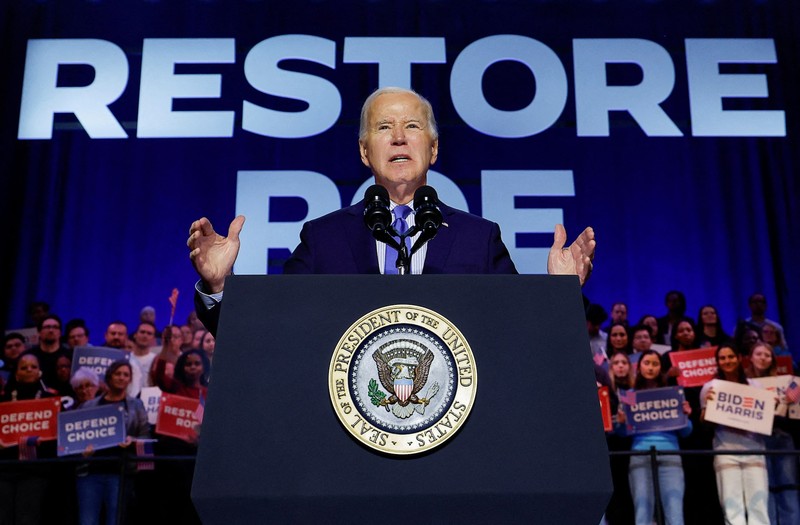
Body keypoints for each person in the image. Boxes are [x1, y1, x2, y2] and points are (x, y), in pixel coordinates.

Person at [187, 87, 596, 334]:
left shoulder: (478, 236)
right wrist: (220, 288)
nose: (399, 137)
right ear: (365, 152)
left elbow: (519, 332)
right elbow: (271, 333)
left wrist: (561, 294)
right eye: (384, 128)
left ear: (433, 149)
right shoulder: (323, 237)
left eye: (413, 127)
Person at [616, 350, 692, 525]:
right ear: (639, 366)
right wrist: (620, 423)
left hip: (670, 454)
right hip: (640, 455)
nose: (650, 367)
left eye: (655, 364)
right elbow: (622, 433)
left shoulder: (672, 393)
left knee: (674, 511)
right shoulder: (629, 395)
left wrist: (686, 417)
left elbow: (686, 432)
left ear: (661, 368)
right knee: (642, 510)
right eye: (647, 363)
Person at [700, 345, 770, 525]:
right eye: (722, 358)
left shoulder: (755, 386)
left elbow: (765, 419)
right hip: (726, 452)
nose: (727, 361)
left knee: (759, 506)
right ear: (717, 362)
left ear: (739, 358)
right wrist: (708, 406)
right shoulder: (710, 387)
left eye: (730, 357)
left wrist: (771, 406)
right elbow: (704, 424)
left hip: (754, 450)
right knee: (732, 507)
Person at [77, 360, 150, 525]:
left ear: (130, 379)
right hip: (90, 471)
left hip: (120, 471)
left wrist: (133, 441)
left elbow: (145, 436)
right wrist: (83, 450)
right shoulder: (88, 406)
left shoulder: (137, 405)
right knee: (87, 521)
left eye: (126, 375)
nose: (122, 378)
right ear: (109, 376)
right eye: (118, 374)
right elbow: (76, 437)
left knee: (115, 520)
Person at [746, 341, 800, 525]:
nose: (763, 358)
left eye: (767, 355)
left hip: (782, 437)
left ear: (772, 360)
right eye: (759, 354)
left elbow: (794, 416)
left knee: (788, 486)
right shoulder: (744, 384)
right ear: (751, 358)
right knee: (764, 488)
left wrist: (785, 403)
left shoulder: (788, 384)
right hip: (756, 439)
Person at [25, 313, 72, 386]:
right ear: (39, 332)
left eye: (55, 327)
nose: (51, 330)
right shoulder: (27, 357)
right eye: (47, 327)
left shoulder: (70, 356)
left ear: (60, 333)